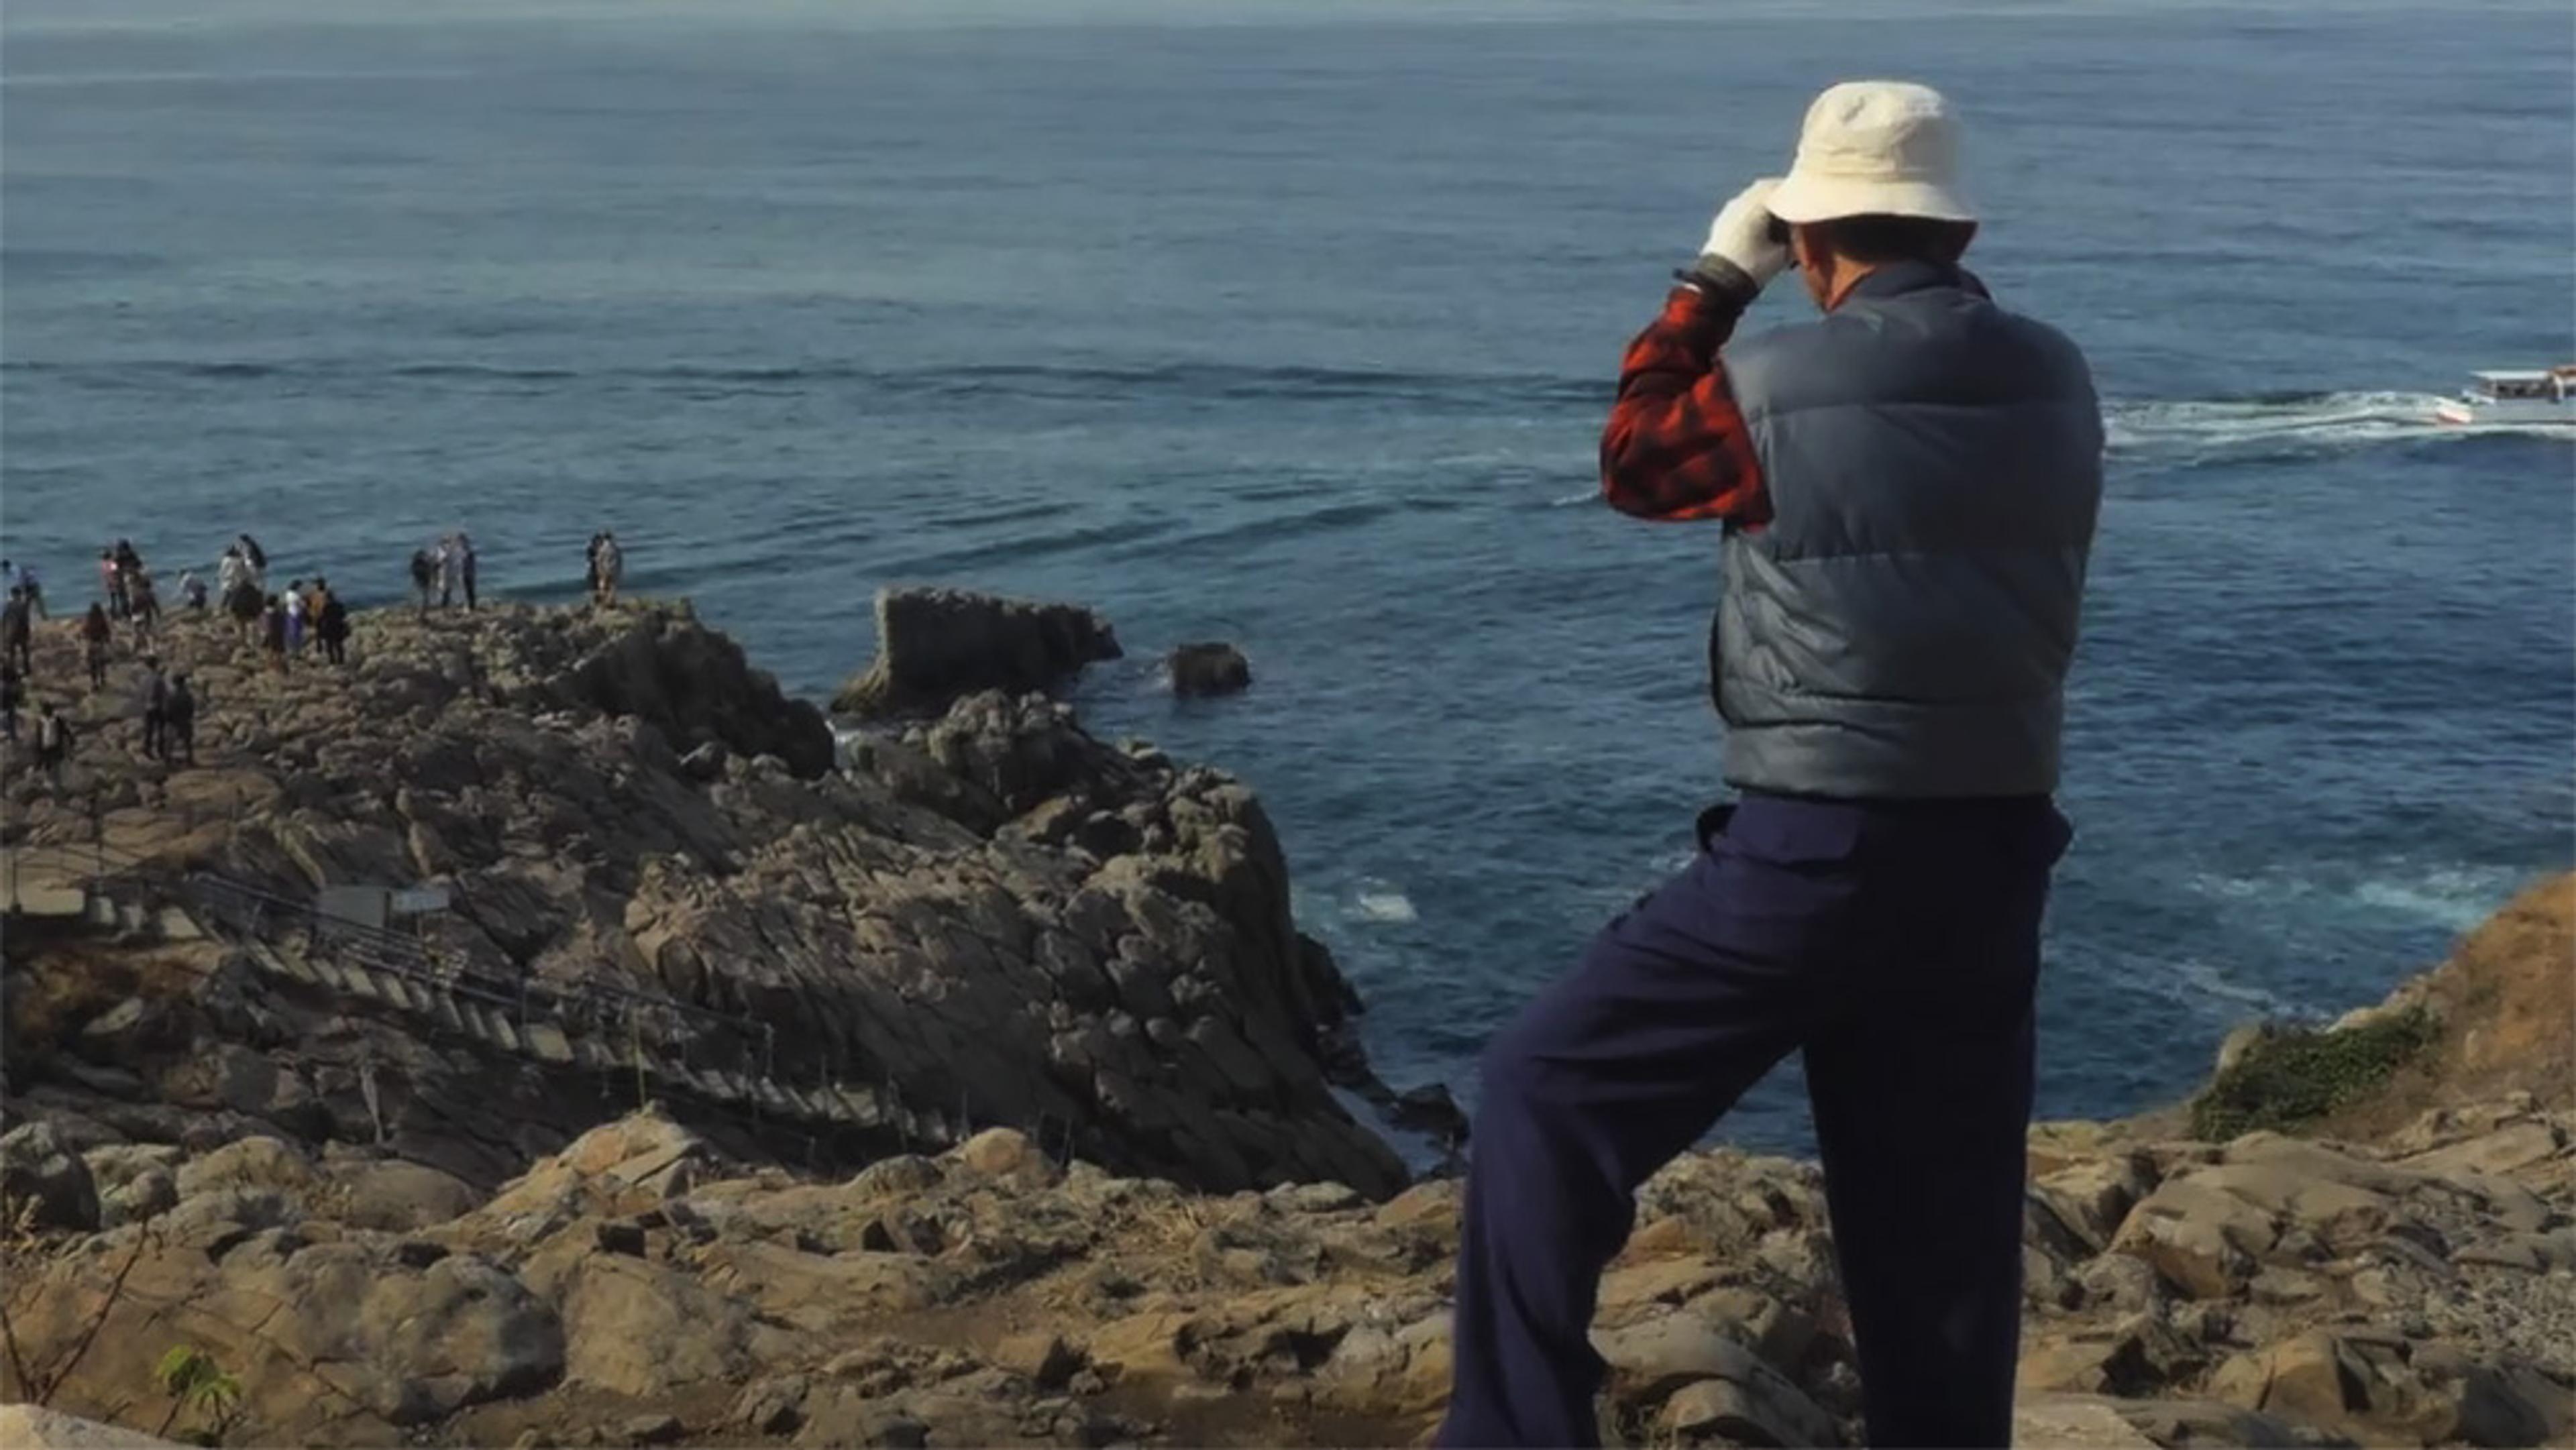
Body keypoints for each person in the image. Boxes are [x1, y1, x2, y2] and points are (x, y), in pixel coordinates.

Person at [1436, 82, 2102, 1450]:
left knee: (1542, 1089)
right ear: (1958, 231)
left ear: (1807, 246)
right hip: (1995, 853)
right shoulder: (2059, 376)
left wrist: (1709, 281)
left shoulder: (1764, 386)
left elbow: (1633, 459)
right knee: (1940, 1232)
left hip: (1816, 849)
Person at [34, 702, 71, 788]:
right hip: (45, 745)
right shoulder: (40, 721)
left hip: (55, 744)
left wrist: (71, 739)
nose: (47, 714)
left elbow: (65, 730)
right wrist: (38, 747)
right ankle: (48, 781)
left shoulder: (57, 720)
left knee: (56, 763)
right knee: (47, 764)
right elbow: (38, 735)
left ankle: (58, 781)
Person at [315, 580, 352, 666]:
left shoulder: (327, 607)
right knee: (339, 645)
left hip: (329, 627)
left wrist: (319, 627)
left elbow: (323, 617)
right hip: (338, 626)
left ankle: (332, 660)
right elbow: (344, 615)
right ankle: (341, 660)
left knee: (330, 645)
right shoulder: (340, 605)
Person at [140, 657, 168, 761]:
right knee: (161, 729)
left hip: (147, 706)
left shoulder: (144, 678)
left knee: (149, 730)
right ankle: (161, 750)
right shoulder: (159, 678)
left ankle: (147, 748)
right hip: (157, 706)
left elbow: (141, 693)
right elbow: (164, 694)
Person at [166, 673, 197, 765]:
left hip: (173, 721)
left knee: (170, 741)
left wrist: (168, 718)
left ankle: (167, 759)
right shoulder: (186, 694)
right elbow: (191, 707)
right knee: (187, 741)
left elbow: (167, 707)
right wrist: (189, 717)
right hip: (184, 720)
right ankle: (190, 759)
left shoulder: (171, 694)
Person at [80, 602, 113, 689]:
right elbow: (107, 632)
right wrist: (108, 641)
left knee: (92, 665)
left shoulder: (89, 619)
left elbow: (84, 631)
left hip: (91, 644)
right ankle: (103, 680)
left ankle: (94, 683)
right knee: (102, 663)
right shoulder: (102, 619)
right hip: (100, 643)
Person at [1, 588, 31, 676]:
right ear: (19, 595)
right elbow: (25, 620)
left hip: (10, 632)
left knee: (11, 653)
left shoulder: (8, 606)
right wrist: (27, 632)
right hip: (20, 632)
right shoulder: (22, 606)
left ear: (12, 595)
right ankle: (27, 670)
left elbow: (4, 620)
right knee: (24, 651)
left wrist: (4, 633)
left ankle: (11, 671)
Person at [592, 531, 623, 606]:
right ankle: (612, 601)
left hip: (605, 569)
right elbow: (620, 560)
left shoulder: (602, 548)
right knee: (613, 586)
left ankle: (603, 601)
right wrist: (620, 570)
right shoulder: (616, 548)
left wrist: (598, 569)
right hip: (614, 569)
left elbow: (599, 560)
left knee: (603, 585)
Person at [262, 594, 289, 673]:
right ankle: (277, 667)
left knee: (269, 650)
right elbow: (282, 623)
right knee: (278, 652)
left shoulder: (265, 611)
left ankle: (269, 666)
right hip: (277, 633)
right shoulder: (276, 613)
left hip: (267, 633)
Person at [99, 548, 125, 622]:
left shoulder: (103, 565)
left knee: (112, 599)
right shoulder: (112, 563)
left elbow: (104, 574)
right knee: (121, 597)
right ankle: (122, 613)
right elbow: (116, 572)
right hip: (115, 582)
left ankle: (113, 614)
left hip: (108, 583)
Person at [283, 579, 308, 654]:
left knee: (290, 630)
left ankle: (290, 646)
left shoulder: (288, 593)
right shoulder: (296, 596)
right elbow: (303, 605)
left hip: (290, 612)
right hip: (296, 614)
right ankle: (296, 648)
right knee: (296, 632)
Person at [409, 549, 436, 616]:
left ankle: (421, 613)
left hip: (419, 584)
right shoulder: (422, 566)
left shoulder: (415, 565)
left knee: (422, 600)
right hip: (423, 584)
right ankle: (421, 614)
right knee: (424, 600)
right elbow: (429, 572)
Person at [456, 533, 479, 610]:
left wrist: (472, 574)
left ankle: (470, 606)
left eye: (461, 541)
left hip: (468, 573)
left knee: (469, 591)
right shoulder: (461, 551)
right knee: (466, 591)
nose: (460, 543)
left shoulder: (468, 552)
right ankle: (469, 606)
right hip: (464, 573)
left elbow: (471, 564)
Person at [0, 663, 21, 744]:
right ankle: (11, 736)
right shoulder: (6, 687)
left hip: (7, 705)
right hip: (6, 706)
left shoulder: (5, 686)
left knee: (9, 720)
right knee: (8, 720)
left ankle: (12, 736)